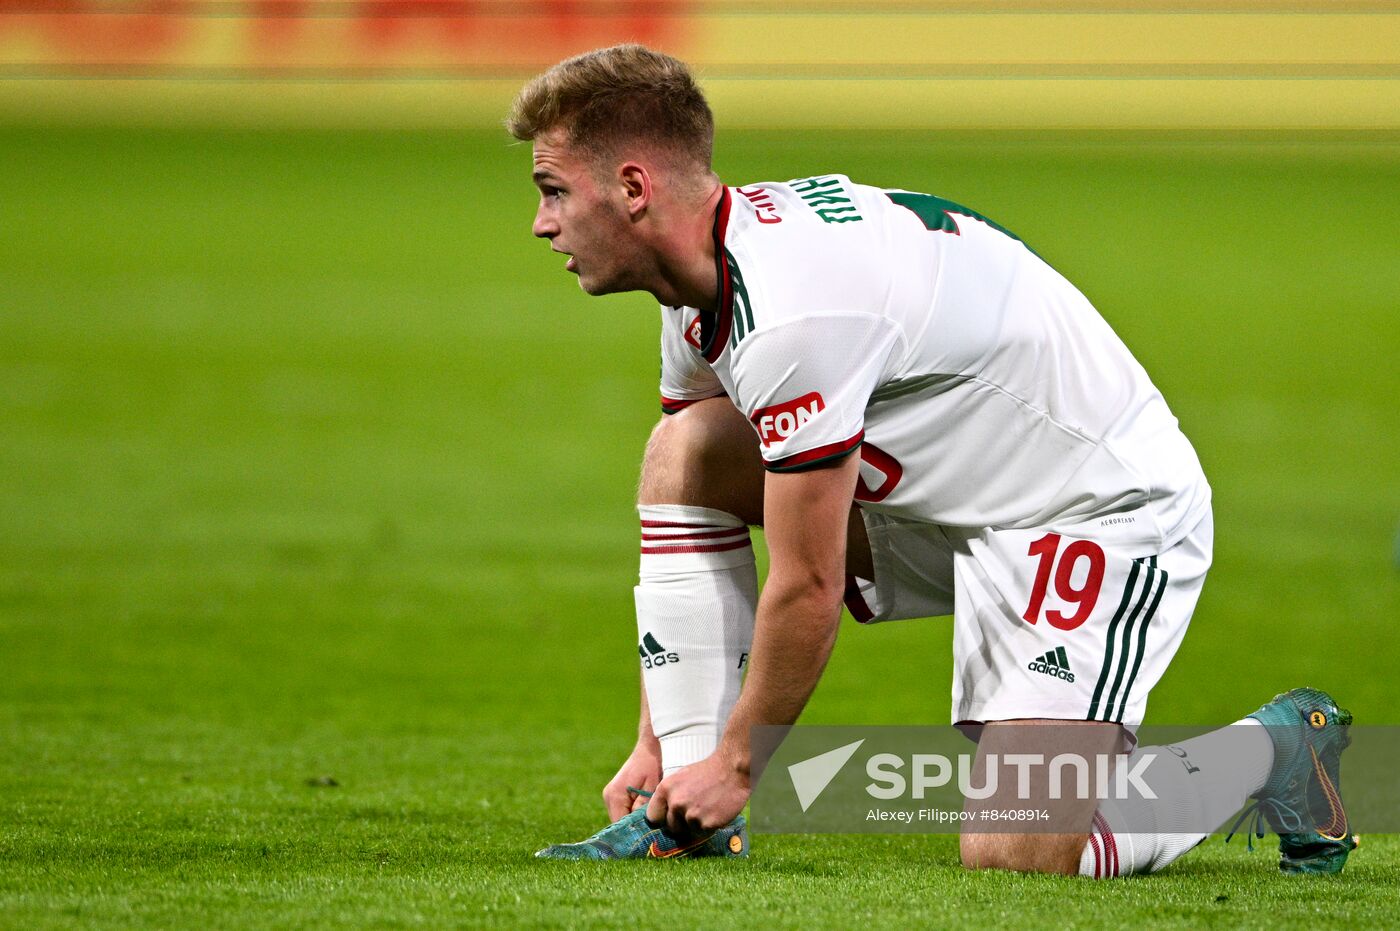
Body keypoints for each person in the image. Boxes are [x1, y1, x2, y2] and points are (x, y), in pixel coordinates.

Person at [510, 44, 1356, 875]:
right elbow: (692, 497)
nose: (543, 222)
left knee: (1020, 849)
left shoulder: (796, 313)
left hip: (1098, 507)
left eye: (554, 191)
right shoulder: (702, 283)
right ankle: (678, 818)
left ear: (632, 188)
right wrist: (657, 742)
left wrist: (739, 767)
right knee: (684, 452)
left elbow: (807, 584)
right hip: (956, 495)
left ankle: (1274, 750)